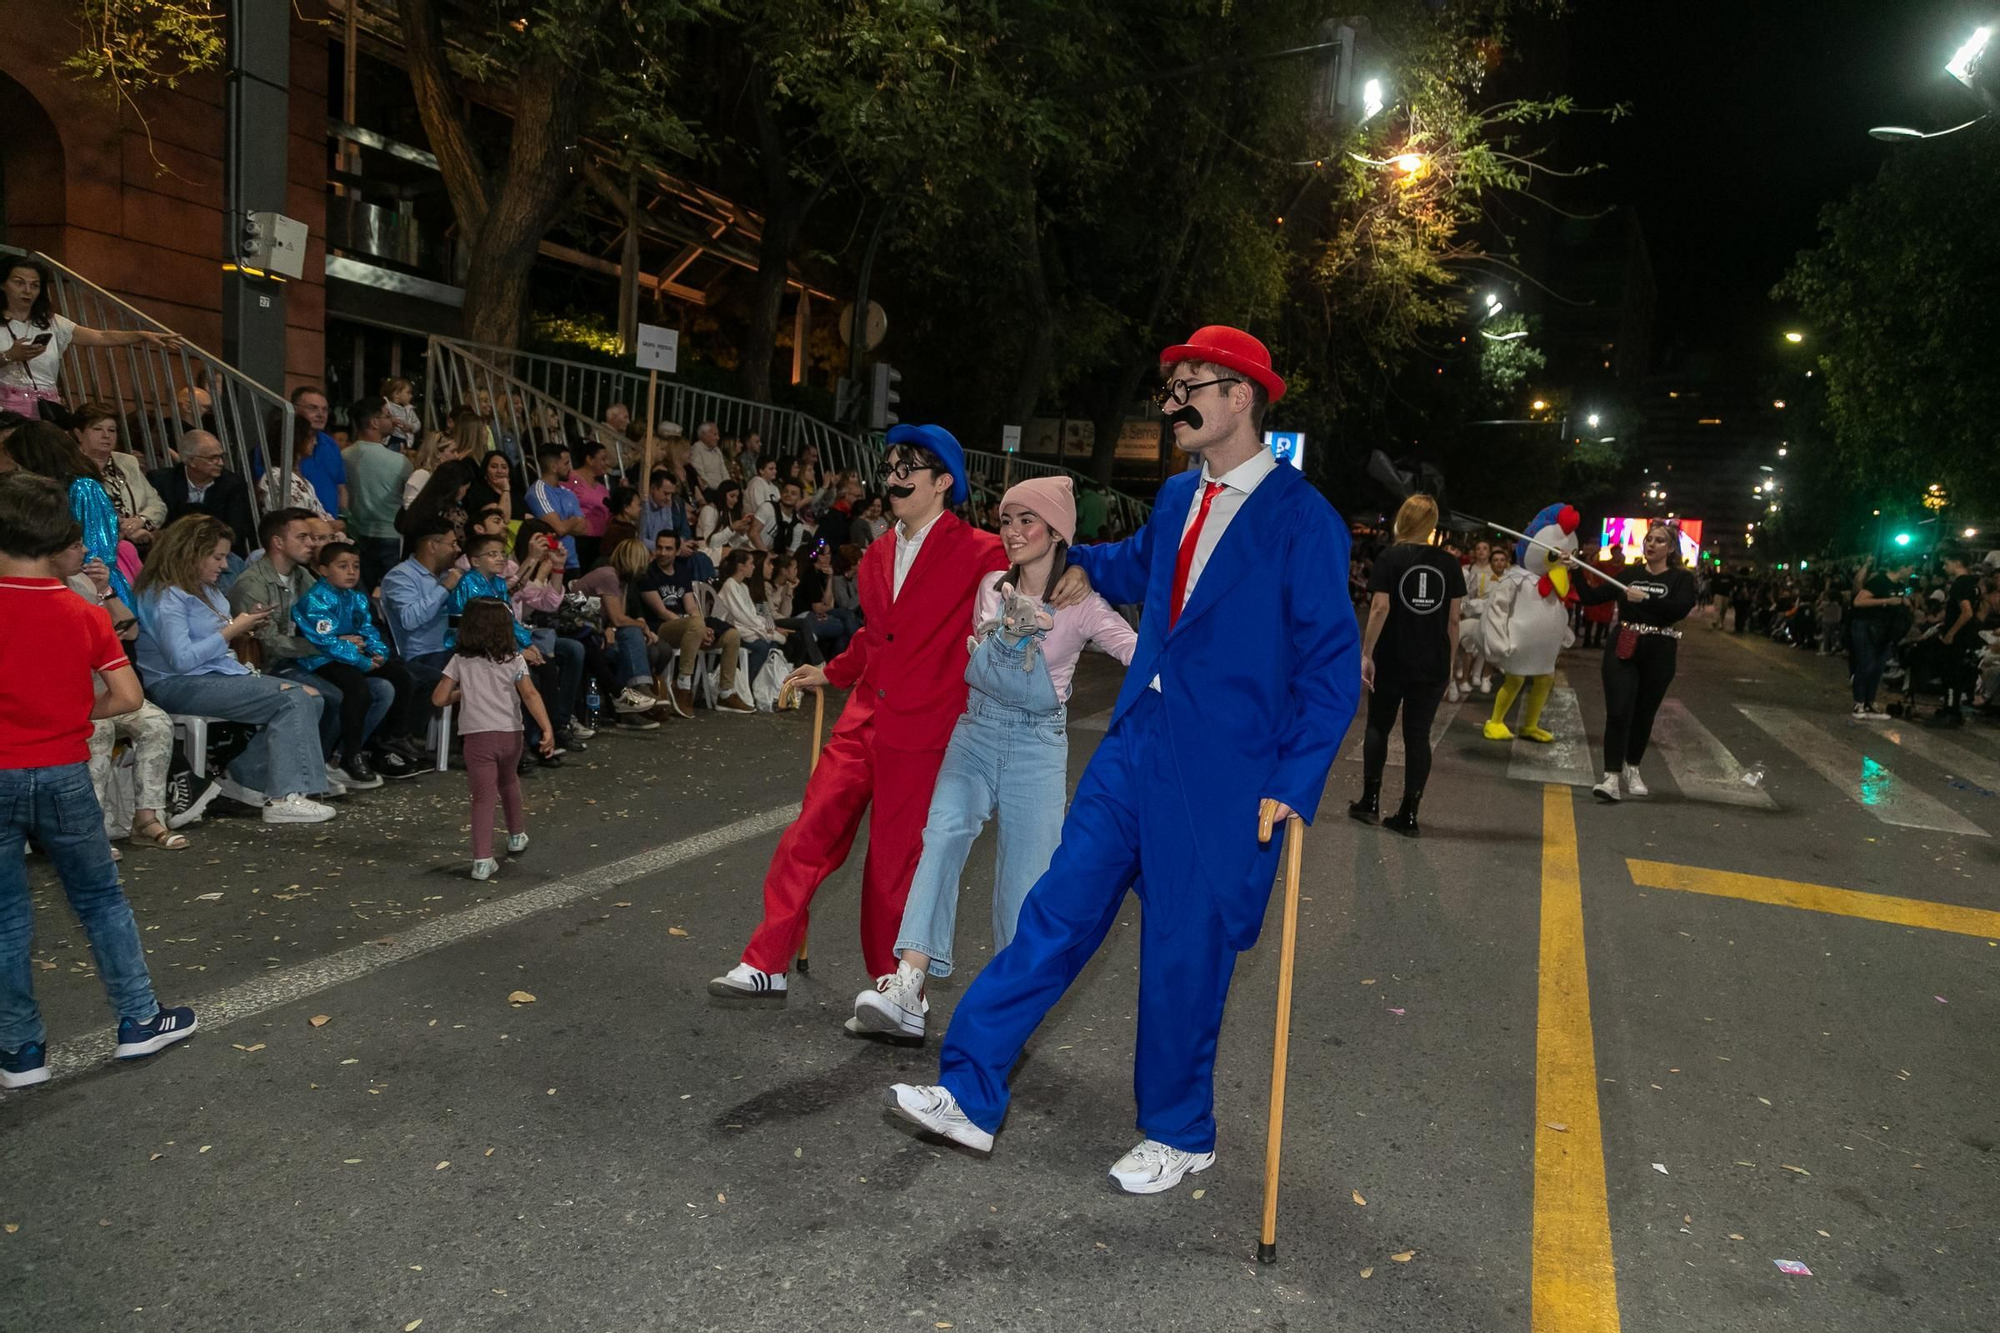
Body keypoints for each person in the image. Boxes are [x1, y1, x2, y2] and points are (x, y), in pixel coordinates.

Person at [886, 326, 1359, 1195]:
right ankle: (969, 1089)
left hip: (1225, 775)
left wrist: (1293, 782)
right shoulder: (1180, 497)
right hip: (1134, 747)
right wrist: (1063, 560)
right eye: (1171, 385)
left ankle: (1181, 1130)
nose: (1174, 401)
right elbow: (1131, 562)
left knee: (1184, 951)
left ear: (1241, 397)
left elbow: (1332, 672)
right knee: (1055, 913)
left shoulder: (1306, 521)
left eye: (1191, 386)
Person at [708, 424, 1012, 999]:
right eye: (891, 466)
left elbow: (1037, 559)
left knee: (894, 864)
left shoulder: (982, 550)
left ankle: (894, 987)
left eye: (908, 469)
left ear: (944, 481)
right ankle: (766, 960)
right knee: (808, 832)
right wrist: (833, 671)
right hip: (864, 716)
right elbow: (878, 636)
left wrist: (1073, 569)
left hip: (924, 730)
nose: (894, 478)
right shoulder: (876, 552)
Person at [853, 477, 1137, 1040]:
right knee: (944, 832)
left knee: (1026, 888)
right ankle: (907, 982)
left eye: (1027, 521)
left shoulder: (1085, 607)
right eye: (1006, 520)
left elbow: (1140, 653)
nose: (1011, 532)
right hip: (977, 732)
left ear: (1057, 532)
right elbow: (985, 659)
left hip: (1038, 745)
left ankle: (1006, 1016)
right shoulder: (992, 588)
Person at [0, 473, 200, 1089]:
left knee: (7, 915)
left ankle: (19, 1050)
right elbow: (127, 694)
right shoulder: (80, 610)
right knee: (99, 899)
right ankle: (139, 1019)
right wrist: (67, 714)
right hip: (61, 772)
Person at [131, 516, 336, 823]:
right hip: (176, 683)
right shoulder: (164, 594)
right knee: (294, 698)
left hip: (215, 675)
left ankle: (249, 779)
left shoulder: (207, 590)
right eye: (217, 556)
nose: (225, 565)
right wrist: (233, 629)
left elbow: (212, 643)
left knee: (312, 697)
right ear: (191, 552)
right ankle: (284, 796)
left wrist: (244, 627)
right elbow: (182, 660)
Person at [1348, 494, 1463, 837]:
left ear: (1403, 520)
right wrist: (1450, 666)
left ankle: (1370, 800)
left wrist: (1366, 653)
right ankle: (1409, 813)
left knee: (1378, 727)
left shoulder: (1389, 557)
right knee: (1418, 735)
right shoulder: (1450, 563)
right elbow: (1454, 621)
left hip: (1394, 657)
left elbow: (1380, 608)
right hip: (1432, 663)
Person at [433, 599, 555, 880]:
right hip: (510, 733)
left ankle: (482, 860)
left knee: (482, 797)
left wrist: (464, 693)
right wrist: (547, 728)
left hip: (476, 737)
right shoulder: (515, 659)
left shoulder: (459, 661)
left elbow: (438, 698)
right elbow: (530, 695)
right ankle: (515, 835)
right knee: (509, 781)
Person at [1586, 521, 1698, 803]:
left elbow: (1679, 609)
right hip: (1623, 646)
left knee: (1644, 714)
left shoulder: (1680, 579)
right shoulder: (1630, 574)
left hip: (1659, 651)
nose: (1651, 544)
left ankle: (1632, 767)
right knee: (1618, 712)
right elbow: (1591, 597)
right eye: (1649, 539)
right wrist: (1575, 570)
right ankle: (1610, 777)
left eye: (1659, 541)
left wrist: (1645, 599)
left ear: (1671, 548)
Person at [293, 541, 420, 788]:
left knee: (401, 675)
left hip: (352, 656)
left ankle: (388, 740)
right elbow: (325, 642)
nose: (351, 572)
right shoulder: (315, 601)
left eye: (356, 566)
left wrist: (379, 654)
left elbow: (368, 630)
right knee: (357, 688)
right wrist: (363, 662)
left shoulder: (357, 598)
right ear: (323, 570)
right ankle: (350, 754)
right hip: (320, 659)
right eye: (343, 566)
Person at [1, 257, 181, 421]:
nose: (27, 291)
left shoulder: (52, 322)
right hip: (6, 407)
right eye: (19, 283)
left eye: (35, 285)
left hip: (46, 407)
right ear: (3, 284)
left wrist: (141, 335)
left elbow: (100, 336)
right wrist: (10, 355)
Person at [7, 421, 134, 605]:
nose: (20, 471)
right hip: (69, 583)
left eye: (21, 464)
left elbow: (98, 552)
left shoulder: (83, 488)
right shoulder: (52, 490)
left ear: (35, 459)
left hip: (97, 588)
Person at [636, 531, 742, 716]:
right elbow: (661, 611)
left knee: (732, 635)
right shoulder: (647, 573)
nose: (662, 552)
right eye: (659, 547)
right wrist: (697, 626)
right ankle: (683, 685)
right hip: (661, 627)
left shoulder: (682, 571)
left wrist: (702, 626)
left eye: (668, 548)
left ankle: (726, 692)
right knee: (695, 624)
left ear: (677, 551)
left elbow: (692, 606)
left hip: (688, 627)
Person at [569, 537, 667, 719]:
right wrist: (642, 625)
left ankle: (629, 709)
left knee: (645, 647)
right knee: (630, 634)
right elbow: (618, 619)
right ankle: (637, 692)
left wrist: (616, 628)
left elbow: (616, 622)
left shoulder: (623, 581)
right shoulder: (608, 576)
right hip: (581, 632)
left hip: (597, 630)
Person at [71, 402, 166, 557]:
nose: (106, 435)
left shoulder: (128, 462)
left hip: (141, 539)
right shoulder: (71, 466)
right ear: (78, 434)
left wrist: (139, 521)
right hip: (96, 548)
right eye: (97, 429)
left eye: (112, 430)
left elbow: (157, 505)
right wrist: (123, 530)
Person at [340, 397, 413, 589]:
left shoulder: (344, 456)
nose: (392, 421)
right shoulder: (400, 461)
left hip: (357, 532)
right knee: (396, 591)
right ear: (373, 422)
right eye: (387, 415)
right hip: (392, 533)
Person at [148, 429, 255, 555]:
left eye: (221, 456)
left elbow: (236, 532)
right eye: (212, 458)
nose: (220, 463)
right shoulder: (161, 481)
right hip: (170, 552)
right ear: (190, 461)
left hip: (218, 552)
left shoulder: (233, 484)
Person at [1848, 555, 1913, 721]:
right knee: (1866, 664)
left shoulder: (1900, 585)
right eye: (1910, 567)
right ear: (1902, 567)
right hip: (1866, 627)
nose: (1912, 571)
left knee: (1878, 667)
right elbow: (1859, 601)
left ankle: (1870, 702)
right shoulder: (1879, 581)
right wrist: (1886, 601)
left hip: (1885, 630)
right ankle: (1859, 702)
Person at [714, 547, 789, 686]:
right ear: (741, 567)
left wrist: (767, 628)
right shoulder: (730, 585)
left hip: (746, 626)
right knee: (761, 647)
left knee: (773, 643)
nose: (754, 567)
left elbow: (752, 614)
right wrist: (764, 628)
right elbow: (742, 615)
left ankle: (763, 686)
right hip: (732, 629)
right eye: (751, 564)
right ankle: (745, 685)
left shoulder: (743, 586)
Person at [525, 444, 586, 571]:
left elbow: (583, 529)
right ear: (554, 467)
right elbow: (559, 529)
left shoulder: (569, 493)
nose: (570, 468)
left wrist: (566, 524)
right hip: (548, 566)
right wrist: (575, 520)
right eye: (566, 463)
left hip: (572, 564)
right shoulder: (537, 492)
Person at [289, 385, 347, 517]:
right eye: (312, 408)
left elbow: (340, 488)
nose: (321, 415)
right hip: (297, 526)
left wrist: (344, 517)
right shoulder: (280, 443)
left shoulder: (331, 444)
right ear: (294, 409)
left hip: (330, 526)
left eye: (325, 410)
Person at [563, 439, 613, 569]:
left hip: (599, 541)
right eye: (603, 459)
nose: (606, 463)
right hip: (579, 540)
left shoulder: (602, 488)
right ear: (589, 460)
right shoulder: (571, 479)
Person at [697, 478, 761, 556]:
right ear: (723, 494)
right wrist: (731, 528)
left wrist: (741, 533)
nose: (735, 500)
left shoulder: (727, 512)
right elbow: (710, 542)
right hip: (706, 551)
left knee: (755, 553)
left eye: (737, 497)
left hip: (722, 550)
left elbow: (732, 543)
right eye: (732, 496)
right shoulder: (709, 510)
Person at [402, 428, 463, 507]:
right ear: (437, 453)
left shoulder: (443, 476)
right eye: (452, 451)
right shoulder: (421, 475)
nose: (457, 456)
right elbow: (409, 507)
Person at [464, 450, 517, 528]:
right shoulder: (479, 494)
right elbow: (504, 518)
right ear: (485, 471)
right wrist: (505, 489)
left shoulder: (516, 496)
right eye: (494, 467)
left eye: (504, 467)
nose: (499, 471)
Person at [757, 480, 812, 555]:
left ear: (799, 499)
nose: (788, 495)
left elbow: (792, 552)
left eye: (793, 493)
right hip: (752, 550)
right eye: (786, 491)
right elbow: (753, 533)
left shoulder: (797, 525)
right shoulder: (768, 507)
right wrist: (767, 555)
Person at [640, 467, 691, 545]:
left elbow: (669, 534)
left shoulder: (667, 505)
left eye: (671, 494)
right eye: (666, 493)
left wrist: (678, 545)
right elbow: (640, 540)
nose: (669, 498)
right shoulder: (641, 507)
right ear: (653, 489)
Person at [381, 377, 421, 450]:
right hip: (390, 439)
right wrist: (391, 420)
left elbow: (417, 423)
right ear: (396, 394)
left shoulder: (409, 409)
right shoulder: (387, 406)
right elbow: (380, 419)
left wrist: (411, 427)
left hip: (404, 440)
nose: (411, 396)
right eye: (408, 393)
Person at [689, 421, 729, 493]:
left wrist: (728, 486)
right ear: (704, 435)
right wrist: (722, 488)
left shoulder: (717, 450)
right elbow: (701, 477)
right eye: (715, 435)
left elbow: (724, 472)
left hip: (722, 490)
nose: (718, 438)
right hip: (708, 491)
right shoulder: (696, 450)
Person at [601, 484, 641, 554]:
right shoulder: (620, 532)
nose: (640, 509)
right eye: (638, 505)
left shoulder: (622, 528)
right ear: (626, 508)